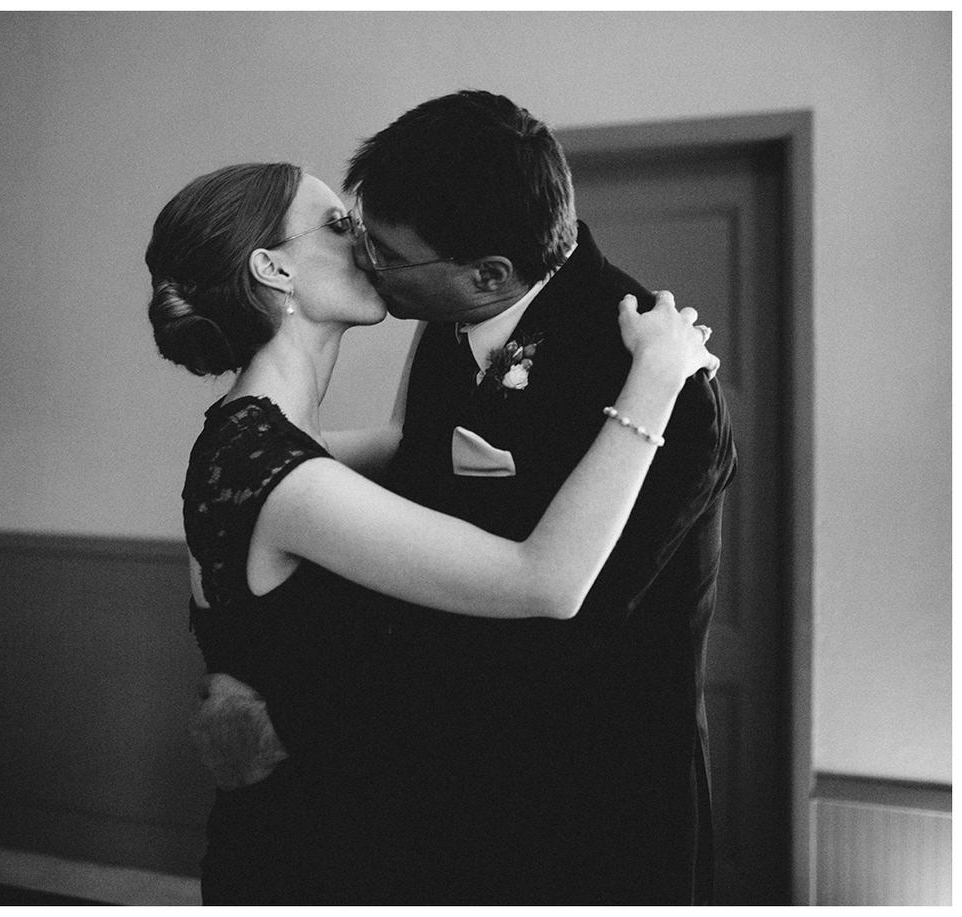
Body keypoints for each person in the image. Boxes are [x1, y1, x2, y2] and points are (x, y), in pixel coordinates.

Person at [198, 90, 739, 905]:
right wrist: (249, 471)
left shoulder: (660, 387)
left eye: (386, 252)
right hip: (448, 797)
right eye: (358, 230)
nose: (366, 260)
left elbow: (558, 627)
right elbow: (410, 481)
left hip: (591, 807)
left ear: (489, 274)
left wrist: (301, 716)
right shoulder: (447, 326)